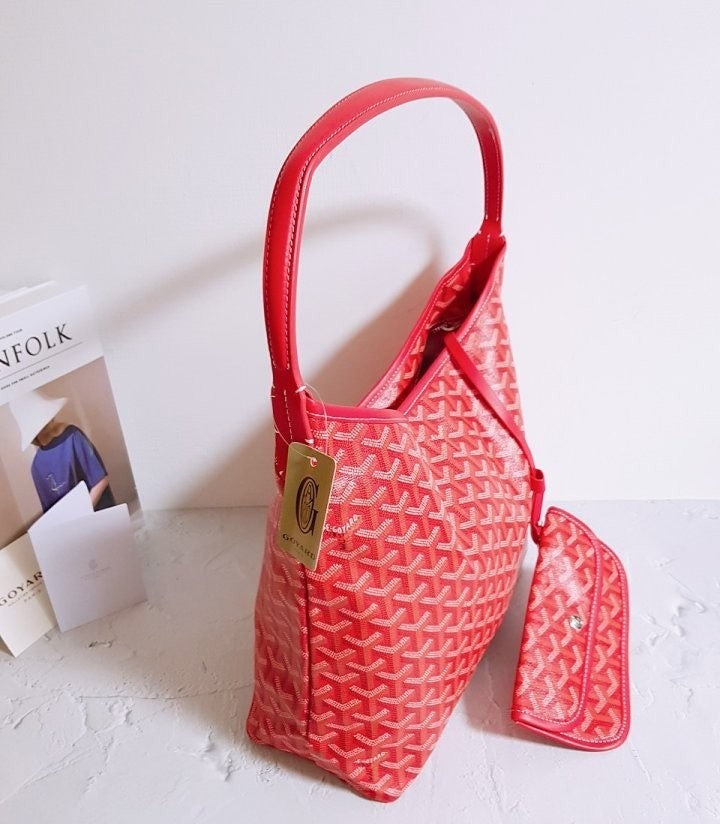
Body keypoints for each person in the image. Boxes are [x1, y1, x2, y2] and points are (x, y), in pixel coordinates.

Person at [9, 389, 116, 513]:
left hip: (101, 514)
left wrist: (83, 513)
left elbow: (100, 480)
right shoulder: (36, 467)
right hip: (77, 523)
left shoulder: (72, 436)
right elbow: (51, 512)